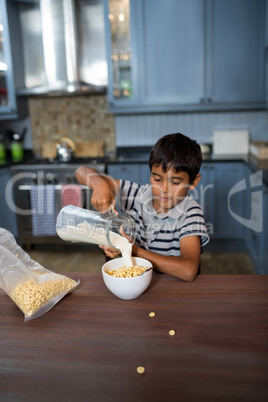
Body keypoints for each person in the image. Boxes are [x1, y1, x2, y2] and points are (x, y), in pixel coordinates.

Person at [75, 133, 209, 281]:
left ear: (193, 182)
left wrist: (131, 249)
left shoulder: (190, 213)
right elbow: (81, 171)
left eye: (175, 182)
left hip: (172, 290)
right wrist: (100, 185)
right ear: (151, 176)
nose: (164, 188)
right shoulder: (135, 194)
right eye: (157, 179)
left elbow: (188, 270)